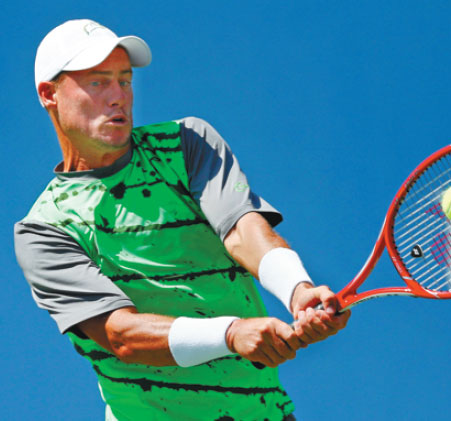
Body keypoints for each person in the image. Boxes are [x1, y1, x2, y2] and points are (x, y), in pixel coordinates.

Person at [14, 19, 350, 421]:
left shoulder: (186, 143)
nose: (119, 96)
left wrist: (297, 288)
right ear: (49, 94)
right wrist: (231, 333)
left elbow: (243, 230)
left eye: (124, 80)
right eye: (99, 82)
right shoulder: (44, 229)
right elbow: (121, 335)